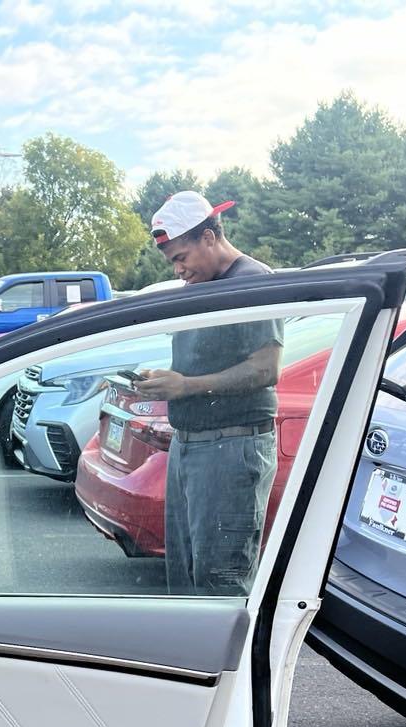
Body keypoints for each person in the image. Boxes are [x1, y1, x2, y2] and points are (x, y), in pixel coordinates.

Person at [135, 192, 283, 597]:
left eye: (182, 257)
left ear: (208, 237)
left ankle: (227, 663)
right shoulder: (202, 285)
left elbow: (266, 368)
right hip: (190, 448)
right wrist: (165, 380)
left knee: (220, 584)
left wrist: (185, 386)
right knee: (184, 581)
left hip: (232, 448)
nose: (179, 269)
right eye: (172, 263)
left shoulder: (252, 281)